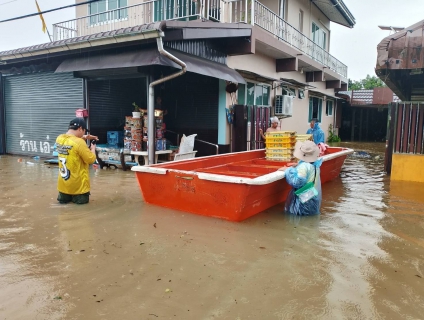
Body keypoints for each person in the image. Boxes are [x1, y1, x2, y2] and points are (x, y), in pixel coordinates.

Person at [56, 118, 98, 204]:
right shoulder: (79, 142)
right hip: (79, 189)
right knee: (82, 214)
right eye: (84, 131)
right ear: (80, 128)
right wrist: (93, 149)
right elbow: (91, 159)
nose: (84, 133)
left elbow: (71, 141)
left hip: (63, 187)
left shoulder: (59, 139)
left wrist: (85, 137)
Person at [278, 140, 322, 216]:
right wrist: (297, 165)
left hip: (303, 200)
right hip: (312, 196)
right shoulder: (315, 165)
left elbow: (297, 182)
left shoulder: (304, 166)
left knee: (297, 219)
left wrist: (288, 170)